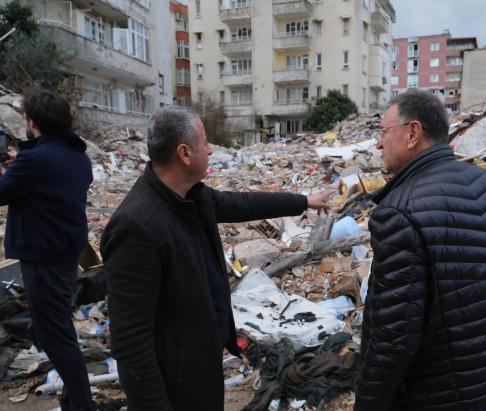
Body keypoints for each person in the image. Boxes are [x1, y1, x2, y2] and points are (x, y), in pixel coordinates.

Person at [101, 106, 331, 410]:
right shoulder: (136, 226)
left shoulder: (191, 197)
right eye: (204, 141)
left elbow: (242, 204)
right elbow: (131, 342)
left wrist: (303, 201)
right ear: (185, 153)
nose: (209, 150)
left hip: (202, 363)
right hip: (176, 382)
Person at [354, 91, 486, 411]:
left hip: (438, 394)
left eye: (384, 133)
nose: (378, 144)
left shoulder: (400, 212)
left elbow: (393, 340)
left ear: (413, 133)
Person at [0, 88, 95, 411]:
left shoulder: (35, 160)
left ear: (34, 122)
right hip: (65, 254)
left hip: (43, 256)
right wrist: (20, 165)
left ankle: (81, 404)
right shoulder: (77, 156)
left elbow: (4, 192)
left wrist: (16, 167)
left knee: (56, 336)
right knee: (57, 328)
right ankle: (74, 398)